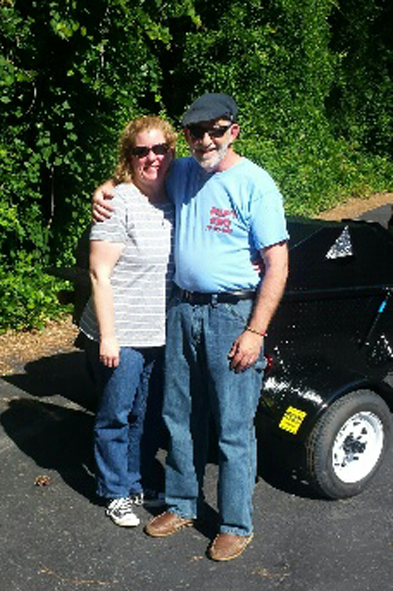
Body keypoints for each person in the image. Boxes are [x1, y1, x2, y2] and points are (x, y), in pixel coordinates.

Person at [93, 93, 289, 559]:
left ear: (233, 131)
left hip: (233, 315)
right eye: (196, 132)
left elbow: (277, 265)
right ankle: (182, 503)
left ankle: (235, 523)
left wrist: (256, 330)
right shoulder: (182, 172)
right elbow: (139, 174)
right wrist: (104, 189)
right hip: (182, 310)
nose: (206, 140)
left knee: (232, 426)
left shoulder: (255, 185)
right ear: (187, 137)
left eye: (216, 130)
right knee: (179, 415)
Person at [79, 116, 176, 527]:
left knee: (147, 413)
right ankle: (114, 491)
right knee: (116, 413)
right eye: (141, 151)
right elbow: (99, 273)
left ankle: (134, 479)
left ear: (171, 152)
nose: (151, 158)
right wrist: (109, 337)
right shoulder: (116, 202)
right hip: (120, 329)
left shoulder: (176, 196)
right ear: (129, 157)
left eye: (159, 149)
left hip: (159, 328)